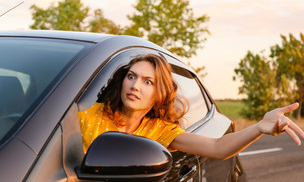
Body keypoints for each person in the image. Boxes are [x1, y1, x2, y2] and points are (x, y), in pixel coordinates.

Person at [78, 54, 304, 159]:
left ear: (160, 94)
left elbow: (217, 148)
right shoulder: (85, 116)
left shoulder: (159, 130)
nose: (135, 85)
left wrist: (258, 127)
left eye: (148, 82)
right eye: (131, 76)